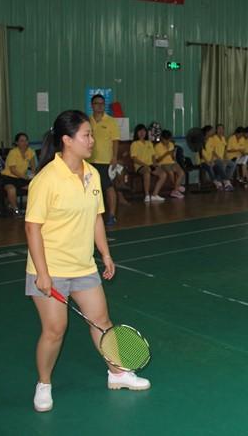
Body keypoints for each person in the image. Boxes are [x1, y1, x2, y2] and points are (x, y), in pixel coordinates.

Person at [25, 110, 150, 413]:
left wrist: (105, 254)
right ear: (67, 140)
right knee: (55, 329)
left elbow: (96, 218)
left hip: (83, 266)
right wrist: (42, 273)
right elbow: (32, 228)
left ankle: (117, 373)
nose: (92, 140)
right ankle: (43, 383)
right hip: (51, 268)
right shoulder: (46, 179)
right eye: (86, 135)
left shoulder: (92, 174)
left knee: (102, 321)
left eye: (92, 134)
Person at [88, 94, 120, 226]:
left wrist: (114, 157)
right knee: (91, 188)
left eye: (102, 103)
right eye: (97, 103)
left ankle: (112, 215)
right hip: (89, 160)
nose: (100, 106)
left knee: (108, 187)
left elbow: (115, 141)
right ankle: (92, 215)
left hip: (105, 160)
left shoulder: (111, 121)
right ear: (92, 105)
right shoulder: (87, 121)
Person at [0, 132, 37, 216]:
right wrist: (25, 177)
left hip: (21, 178)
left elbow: (33, 166)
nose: (25, 143)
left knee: (34, 187)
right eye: (22, 141)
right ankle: (15, 210)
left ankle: (33, 209)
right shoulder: (13, 152)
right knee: (11, 189)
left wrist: (33, 175)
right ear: (17, 143)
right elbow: (13, 170)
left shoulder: (30, 151)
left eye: (26, 140)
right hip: (9, 177)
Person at [130, 124, 167, 203]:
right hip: (140, 166)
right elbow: (134, 158)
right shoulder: (134, 144)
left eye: (143, 131)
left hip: (150, 165)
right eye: (140, 131)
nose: (142, 133)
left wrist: (155, 164)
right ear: (136, 133)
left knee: (163, 174)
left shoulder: (149, 143)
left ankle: (154, 195)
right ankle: (147, 195)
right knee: (147, 171)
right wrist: (145, 165)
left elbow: (153, 156)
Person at [154, 129, 185, 199]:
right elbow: (157, 160)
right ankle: (176, 189)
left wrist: (173, 156)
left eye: (169, 139)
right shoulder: (157, 146)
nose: (167, 141)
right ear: (162, 138)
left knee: (181, 173)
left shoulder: (171, 144)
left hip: (172, 162)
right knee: (171, 172)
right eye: (166, 140)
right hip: (163, 163)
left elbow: (173, 158)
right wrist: (166, 154)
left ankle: (176, 189)